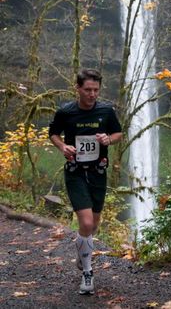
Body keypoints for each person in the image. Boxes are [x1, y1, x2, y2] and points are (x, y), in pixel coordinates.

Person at [49, 68, 122, 294]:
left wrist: (108, 139)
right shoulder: (66, 112)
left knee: (93, 225)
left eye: (96, 90)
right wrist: (63, 146)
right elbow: (53, 133)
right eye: (88, 90)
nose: (92, 94)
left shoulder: (106, 111)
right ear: (78, 88)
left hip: (98, 172)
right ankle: (87, 273)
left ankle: (82, 250)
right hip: (75, 172)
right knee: (87, 223)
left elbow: (118, 134)